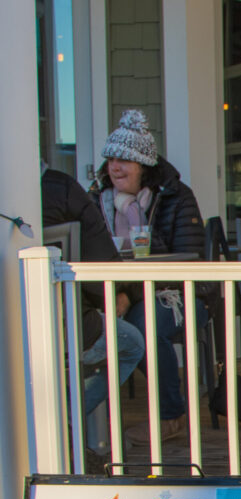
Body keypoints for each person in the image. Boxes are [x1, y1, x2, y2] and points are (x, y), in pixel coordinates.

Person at [92, 109, 208, 443]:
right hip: (115, 292)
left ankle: (171, 416)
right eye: (112, 159)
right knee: (90, 323)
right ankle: (90, 419)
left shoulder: (175, 196)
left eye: (125, 160)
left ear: (144, 165)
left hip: (178, 293)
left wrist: (131, 293)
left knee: (144, 325)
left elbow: (188, 260)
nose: (116, 167)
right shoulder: (97, 201)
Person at [40, 162, 145, 417]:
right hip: (61, 324)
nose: (116, 168)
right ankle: (65, 417)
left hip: (17, 324)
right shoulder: (61, 188)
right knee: (132, 343)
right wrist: (122, 292)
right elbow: (98, 257)